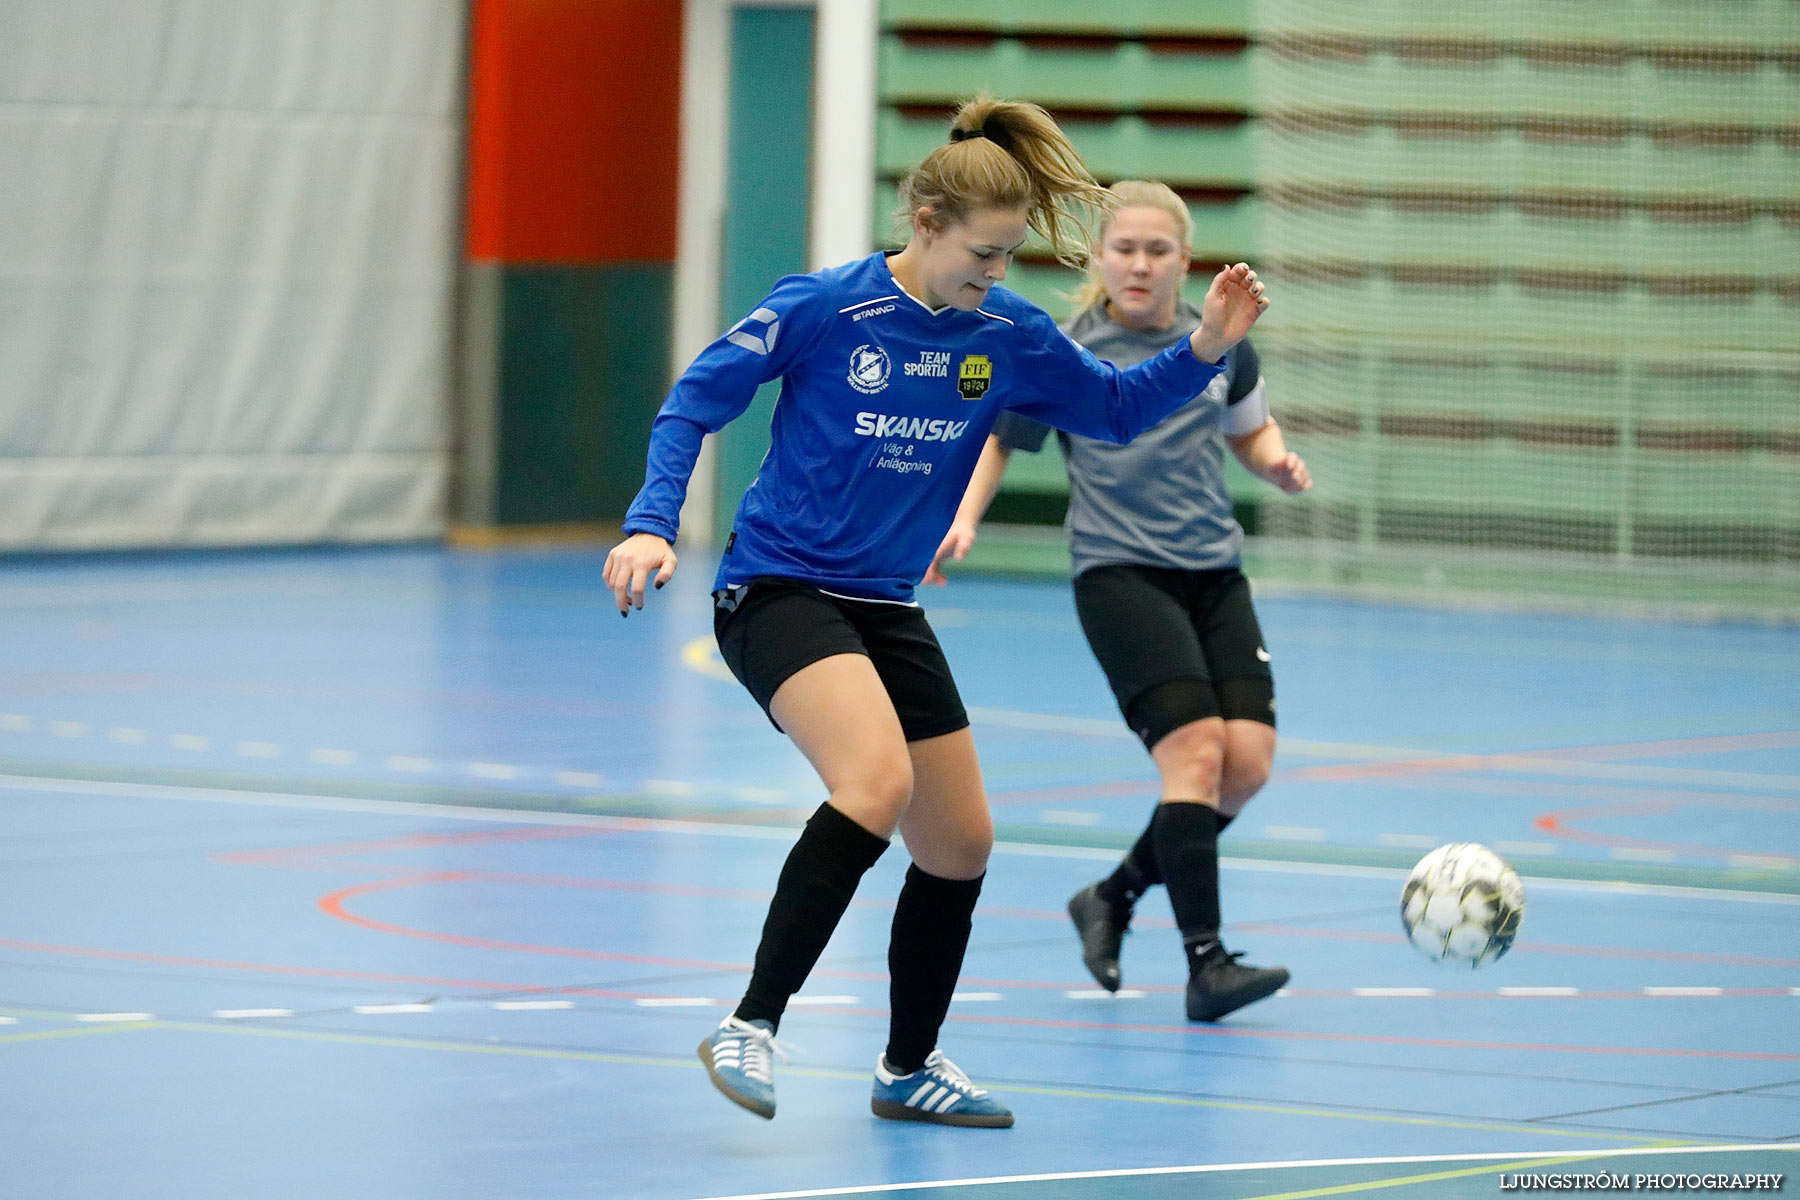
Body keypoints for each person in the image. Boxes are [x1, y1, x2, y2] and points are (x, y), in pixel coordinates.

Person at [605, 103, 1268, 1127]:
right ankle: (752, 1021)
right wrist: (653, 524)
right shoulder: (830, 308)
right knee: (875, 784)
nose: (993, 274)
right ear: (923, 223)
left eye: (1007, 257)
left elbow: (1116, 411)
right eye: (980, 253)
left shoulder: (1006, 330)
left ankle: (908, 1067)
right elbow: (697, 395)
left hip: (885, 602)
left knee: (959, 843)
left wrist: (1205, 349)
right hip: (779, 587)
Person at [930, 180, 1310, 1023]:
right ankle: (1206, 965)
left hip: (1213, 571)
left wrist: (1274, 461)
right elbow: (1002, 443)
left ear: (1186, 260)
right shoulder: (1068, 352)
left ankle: (1111, 895)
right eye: (1124, 248)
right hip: (1119, 573)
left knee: (1245, 767)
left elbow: (1249, 428)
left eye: (1158, 250)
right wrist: (961, 520)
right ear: (1099, 258)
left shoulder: (1222, 344)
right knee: (1196, 758)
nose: (1139, 264)